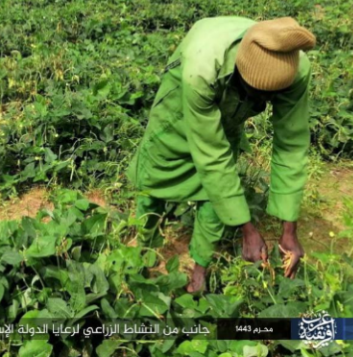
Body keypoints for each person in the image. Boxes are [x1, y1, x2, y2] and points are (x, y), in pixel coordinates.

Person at [127, 16, 316, 294]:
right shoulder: (201, 68)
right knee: (158, 168)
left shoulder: (296, 70)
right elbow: (211, 156)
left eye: (266, 98)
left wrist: (289, 229)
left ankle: (200, 265)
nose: (258, 103)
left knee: (217, 190)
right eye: (254, 93)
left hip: (226, 99)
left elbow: (292, 144)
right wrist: (247, 230)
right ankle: (145, 242)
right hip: (183, 98)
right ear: (241, 75)